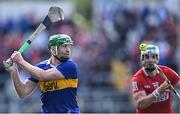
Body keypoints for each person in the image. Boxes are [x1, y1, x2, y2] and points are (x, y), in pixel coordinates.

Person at [5, 34, 80, 113]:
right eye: (64, 46)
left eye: (69, 46)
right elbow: (22, 92)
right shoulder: (41, 67)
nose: (68, 50)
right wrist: (14, 72)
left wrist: (21, 61)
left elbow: (43, 76)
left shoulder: (70, 65)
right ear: (53, 49)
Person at [131, 43, 180, 113]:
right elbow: (141, 104)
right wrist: (158, 91)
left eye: (153, 57)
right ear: (141, 59)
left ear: (158, 58)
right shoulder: (137, 78)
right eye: (147, 57)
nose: (150, 60)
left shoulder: (168, 72)